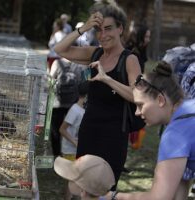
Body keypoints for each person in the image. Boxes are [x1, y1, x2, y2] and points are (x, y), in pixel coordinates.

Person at [54, 0, 141, 190]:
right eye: (99, 30)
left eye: (109, 28)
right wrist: (84, 28)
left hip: (113, 137)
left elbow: (137, 96)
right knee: (82, 187)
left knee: (104, 190)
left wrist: (106, 79)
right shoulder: (95, 54)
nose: (103, 35)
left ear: (120, 29)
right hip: (88, 132)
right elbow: (59, 49)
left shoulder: (130, 60)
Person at [98, 61, 195, 200]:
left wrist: (113, 197)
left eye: (140, 105)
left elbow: (159, 197)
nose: (137, 112)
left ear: (160, 100)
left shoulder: (175, 135)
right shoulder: (189, 108)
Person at [59, 82, 88, 200]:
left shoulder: (84, 110)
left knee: (78, 178)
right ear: (86, 96)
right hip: (70, 151)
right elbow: (62, 129)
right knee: (72, 180)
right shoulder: (75, 110)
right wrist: (74, 142)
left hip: (79, 150)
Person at [125, 24, 151, 150]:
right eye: (146, 36)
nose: (148, 39)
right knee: (127, 120)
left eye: (149, 37)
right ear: (141, 36)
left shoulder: (142, 49)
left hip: (139, 88)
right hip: (128, 89)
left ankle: (134, 143)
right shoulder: (132, 50)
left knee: (136, 119)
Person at [49, 57, 82, 157]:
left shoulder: (57, 62)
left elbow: (51, 80)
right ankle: (70, 153)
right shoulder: (79, 64)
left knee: (55, 130)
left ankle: (57, 156)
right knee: (70, 129)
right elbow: (82, 82)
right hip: (72, 103)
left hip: (56, 103)